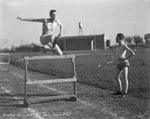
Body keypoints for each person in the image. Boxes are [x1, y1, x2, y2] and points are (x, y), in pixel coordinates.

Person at [113, 33, 135, 97]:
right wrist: (114, 60)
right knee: (116, 77)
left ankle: (124, 93)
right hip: (118, 64)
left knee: (125, 78)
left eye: (117, 38)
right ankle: (119, 91)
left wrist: (125, 58)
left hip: (124, 63)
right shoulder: (117, 46)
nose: (115, 39)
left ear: (121, 39)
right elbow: (117, 55)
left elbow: (132, 53)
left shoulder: (124, 46)